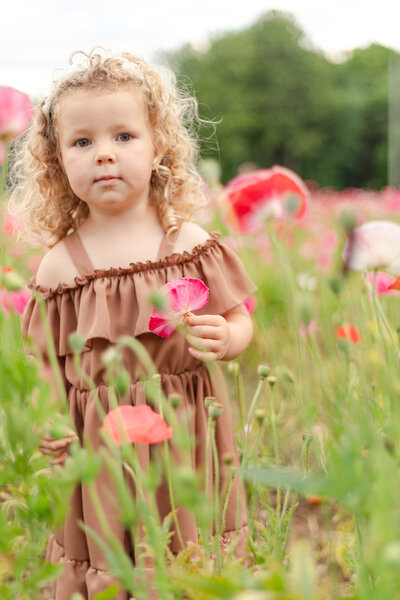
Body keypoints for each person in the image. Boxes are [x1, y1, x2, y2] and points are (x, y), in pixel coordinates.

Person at [12, 48, 256, 600]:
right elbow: (46, 364)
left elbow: (240, 321)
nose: (104, 155)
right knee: (110, 542)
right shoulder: (62, 265)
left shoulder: (189, 244)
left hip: (187, 433)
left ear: (158, 147)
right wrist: (51, 420)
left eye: (123, 137)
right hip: (98, 445)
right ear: (56, 161)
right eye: (82, 142)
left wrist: (227, 338)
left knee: (189, 544)